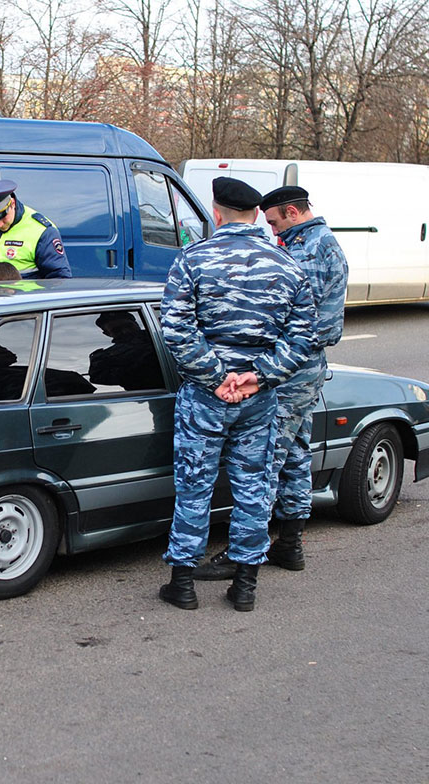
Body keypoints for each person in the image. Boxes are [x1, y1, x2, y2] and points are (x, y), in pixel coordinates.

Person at [158, 177, 317, 612]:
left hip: (206, 398)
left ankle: (184, 585)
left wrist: (214, 377)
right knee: (255, 487)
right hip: (257, 399)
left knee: (195, 485)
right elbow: (303, 338)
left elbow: (175, 329)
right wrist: (257, 377)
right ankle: (245, 586)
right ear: (255, 216)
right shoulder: (288, 266)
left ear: (217, 212)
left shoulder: (193, 259)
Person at [194, 185, 349, 582]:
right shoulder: (316, 242)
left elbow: (294, 320)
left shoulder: (309, 250)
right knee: (295, 453)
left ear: (293, 212)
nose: (271, 227)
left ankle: (245, 552)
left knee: (263, 462)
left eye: (275, 219)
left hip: (290, 368)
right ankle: (290, 543)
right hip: (304, 366)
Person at [0, 180, 72, 279]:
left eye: (2, 217)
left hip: (20, 303)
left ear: (12, 203)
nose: (0, 224)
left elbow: (59, 279)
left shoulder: (41, 230)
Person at [88, 311, 164, 391]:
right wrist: (138, 367)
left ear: (136, 324)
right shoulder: (105, 356)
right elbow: (96, 377)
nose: (125, 331)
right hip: (151, 394)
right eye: (116, 330)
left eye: (129, 326)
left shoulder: (160, 338)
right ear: (107, 334)